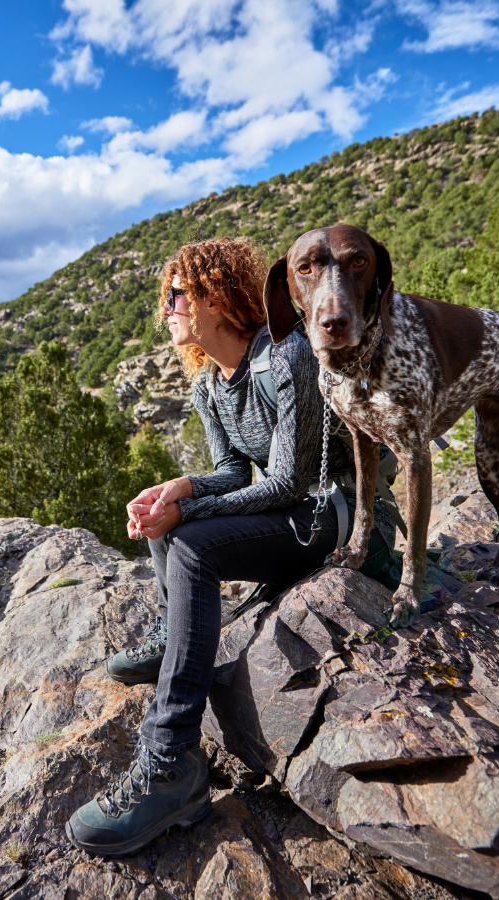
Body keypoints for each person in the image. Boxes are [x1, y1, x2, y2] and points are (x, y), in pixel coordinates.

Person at [65, 237, 395, 856]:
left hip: (333, 516)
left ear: (215, 298)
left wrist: (185, 511)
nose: (166, 308)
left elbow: (288, 483)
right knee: (178, 527)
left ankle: (170, 762)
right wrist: (179, 488)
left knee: (187, 541)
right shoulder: (210, 385)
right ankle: (175, 635)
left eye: (176, 295)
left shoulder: (286, 356)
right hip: (288, 511)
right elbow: (231, 473)